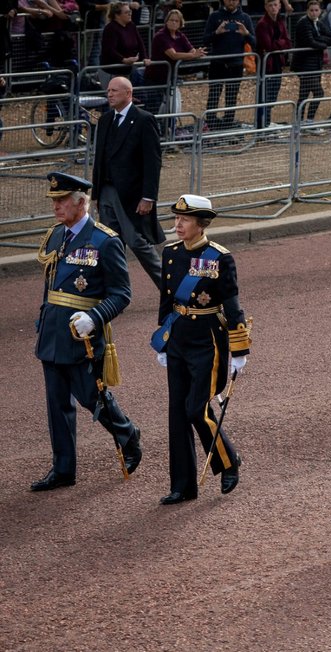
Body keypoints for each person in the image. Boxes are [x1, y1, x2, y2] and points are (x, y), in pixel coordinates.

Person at [31, 172, 142, 492]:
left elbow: (122, 294)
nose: (56, 206)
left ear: (81, 203)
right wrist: (43, 320)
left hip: (83, 336)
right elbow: (50, 283)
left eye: (62, 200)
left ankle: (128, 434)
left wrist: (95, 317)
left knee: (91, 396)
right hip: (53, 332)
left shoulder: (104, 241)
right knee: (56, 403)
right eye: (54, 201)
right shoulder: (55, 235)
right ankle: (63, 468)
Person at [153, 194, 251, 504]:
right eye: (177, 219)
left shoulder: (220, 258)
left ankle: (228, 460)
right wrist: (162, 339)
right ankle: (183, 485)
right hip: (179, 337)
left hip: (207, 341)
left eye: (185, 220)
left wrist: (239, 349)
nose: (178, 224)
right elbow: (167, 300)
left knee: (196, 408)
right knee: (177, 414)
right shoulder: (170, 253)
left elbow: (232, 304)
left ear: (201, 224)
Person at [92, 76, 165, 290]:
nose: (110, 94)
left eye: (115, 90)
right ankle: (116, 293)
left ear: (128, 94)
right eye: (108, 91)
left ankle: (168, 288)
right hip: (106, 191)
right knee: (110, 245)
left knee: (137, 242)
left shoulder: (143, 119)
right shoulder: (105, 120)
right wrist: (96, 193)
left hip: (131, 195)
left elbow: (153, 162)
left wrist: (148, 197)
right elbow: (100, 158)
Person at [202, 0, 256, 130]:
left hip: (236, 64)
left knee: (232, 96)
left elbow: (255, 42)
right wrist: (217, 33)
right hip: (217, 63)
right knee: (214, 94)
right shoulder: (214, 16)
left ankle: (228, 123)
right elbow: (205, 40)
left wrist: (246, 34)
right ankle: (211, 122)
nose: (231, 2)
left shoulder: (245, 18)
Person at [146, 9, 207, 113]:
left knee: (173, 105)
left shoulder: (180, 35)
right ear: (166, 21)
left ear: (180, 23)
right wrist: (193, 55)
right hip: (156, 77)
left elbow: (191, 49)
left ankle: (170, 127)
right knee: (157, 107)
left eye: (176, 21)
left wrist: (197, 52)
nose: (174, 22)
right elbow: (173, 55)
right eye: (171, 20)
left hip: (171, 76)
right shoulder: (161, 36)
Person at [292, 0, 331, 124]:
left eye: (316, 10)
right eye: (311, 10)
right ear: (307, 11)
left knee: (304, 94)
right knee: (318, 92)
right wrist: (321, 43)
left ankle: (301, 121)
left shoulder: (318, 23)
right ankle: (307, 120)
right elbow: (310, 42)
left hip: (316, 64)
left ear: (320, 11)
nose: (314, 13)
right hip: (304, 65)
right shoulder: (303, 23)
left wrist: (319, 40)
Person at [255, 0, 292, 128]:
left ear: (280, 5)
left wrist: (279, 44)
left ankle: (266, 121)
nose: (273, 8)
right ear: (265, 7)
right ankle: (261, 124)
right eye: (270, 5)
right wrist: (280, 44)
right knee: (265, 95)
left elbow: (288, 42)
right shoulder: (262, 24)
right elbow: (268, 46)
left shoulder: (280, 21)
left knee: (273, 95)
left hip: (277, 62)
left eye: (275, 5)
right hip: (266, 65)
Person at [100, 1, 151, 81]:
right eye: (126, 12)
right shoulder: (110, 28)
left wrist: (145, 57)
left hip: (128, 70)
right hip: (112, 71)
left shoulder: (131, 25)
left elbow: (140, 43)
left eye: (130, 12)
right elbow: (109, 50)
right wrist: (123, 60)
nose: (130, 14)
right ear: (117, 15)